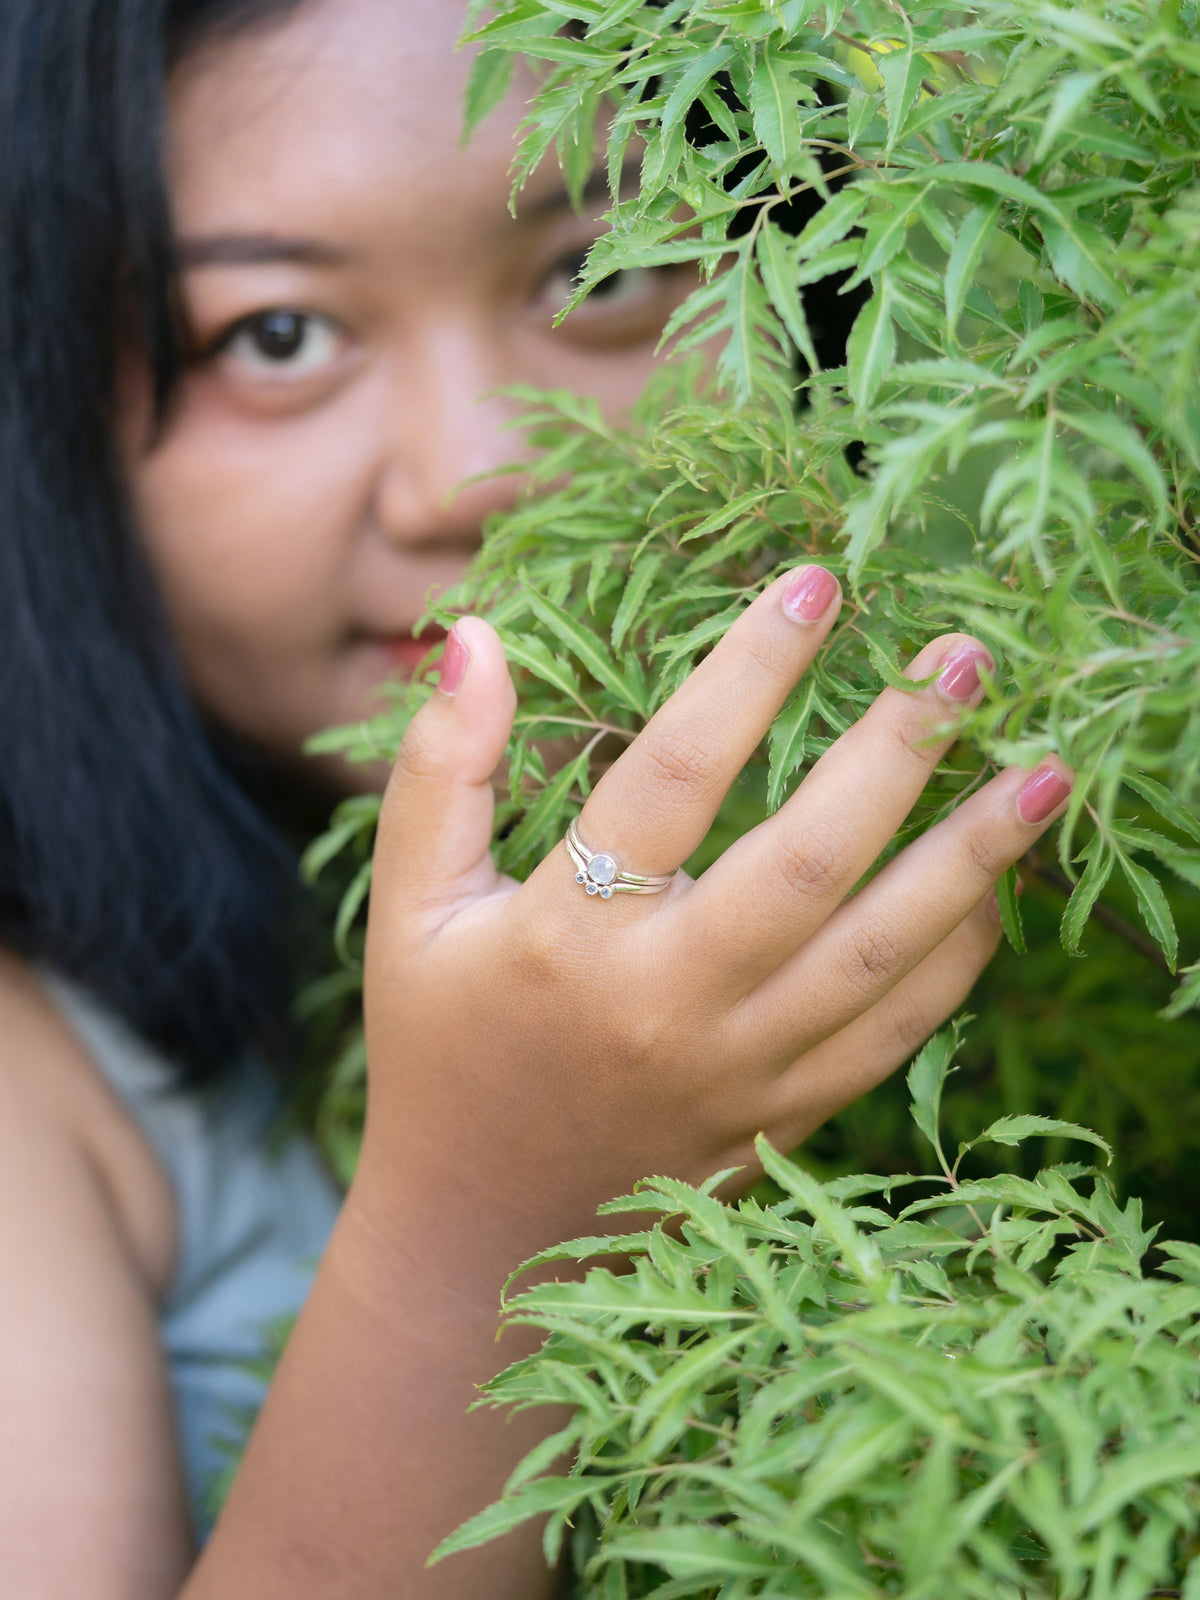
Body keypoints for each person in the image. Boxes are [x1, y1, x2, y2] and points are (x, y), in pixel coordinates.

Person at [0, 0, 1075, 1595]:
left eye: (603, 272)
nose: (483, 469)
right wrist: (491, 1214)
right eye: (276, 333)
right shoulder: (40, 1085)